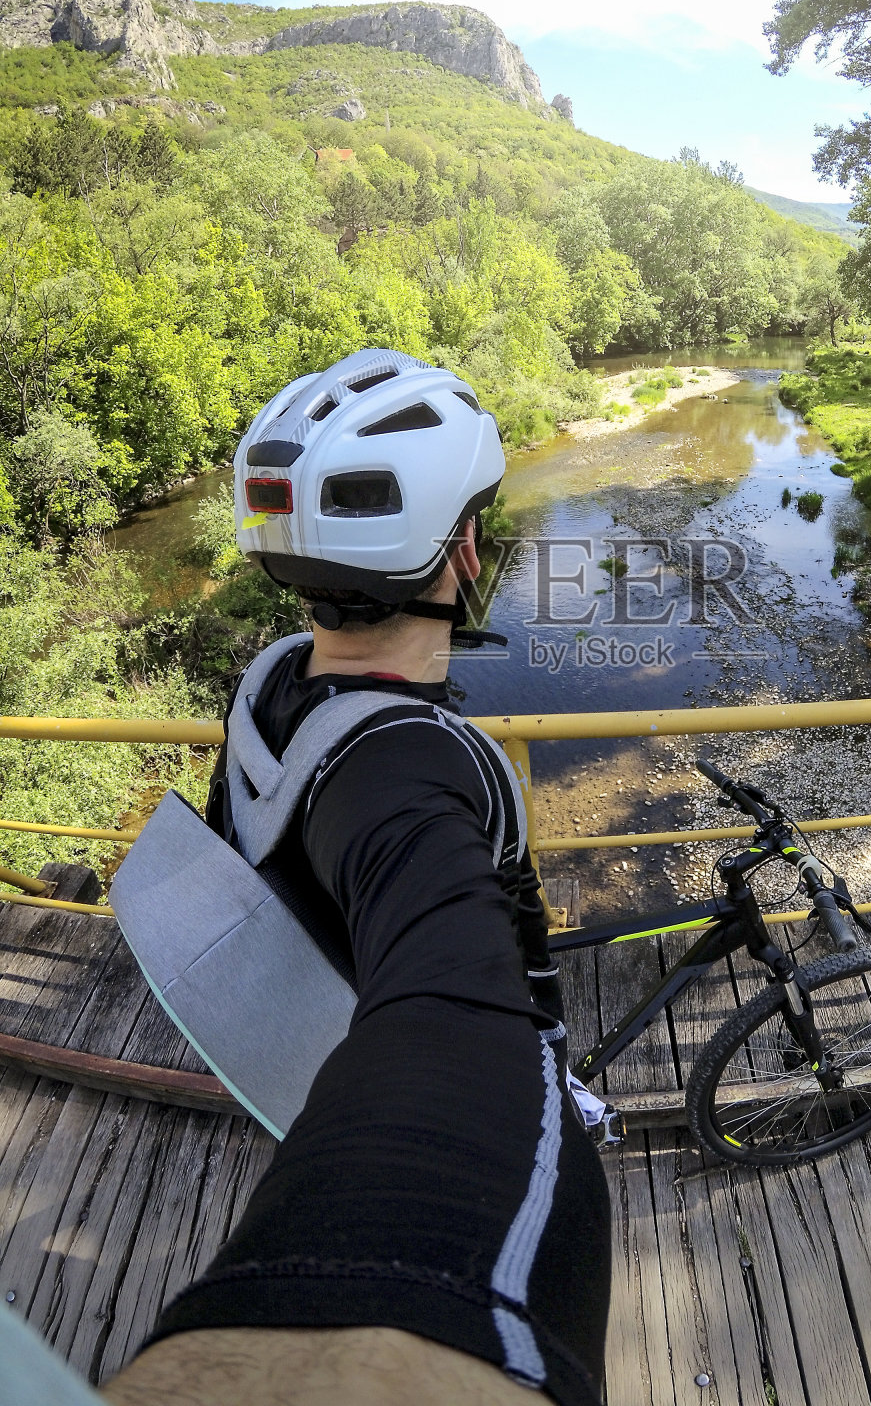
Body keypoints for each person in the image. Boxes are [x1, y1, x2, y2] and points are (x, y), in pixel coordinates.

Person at [103, 349, 612, 1406]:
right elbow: (461, 1021)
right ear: (465, 548)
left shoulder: (274, 688)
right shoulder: (414, 774)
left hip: (314, 1034)